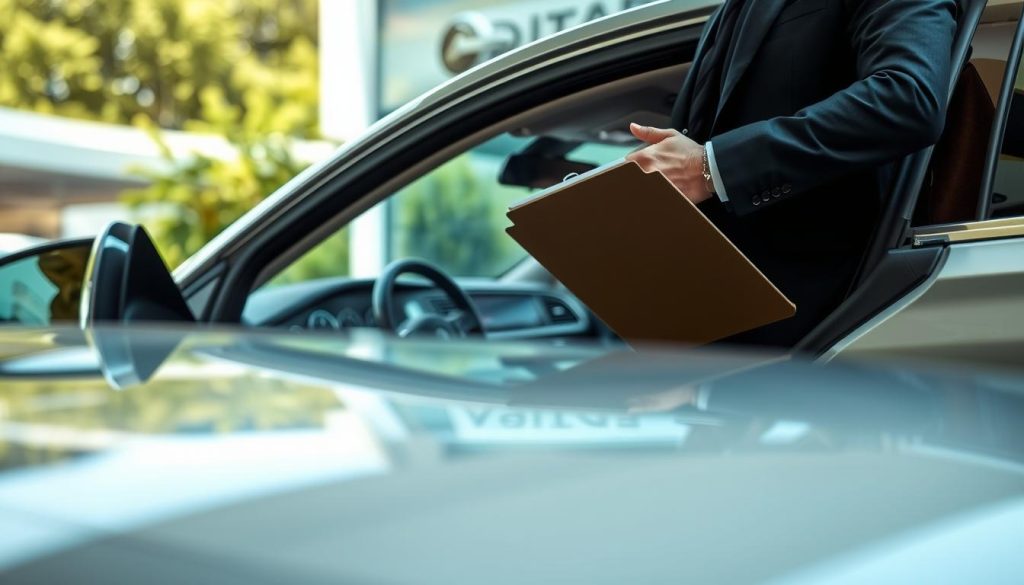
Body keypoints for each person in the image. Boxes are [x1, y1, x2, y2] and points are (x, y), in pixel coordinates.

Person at [626, 0, 958, 347]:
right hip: (716, 330)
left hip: (832, 326)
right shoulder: (725, 14)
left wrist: (712, 167)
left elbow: (907, 98)